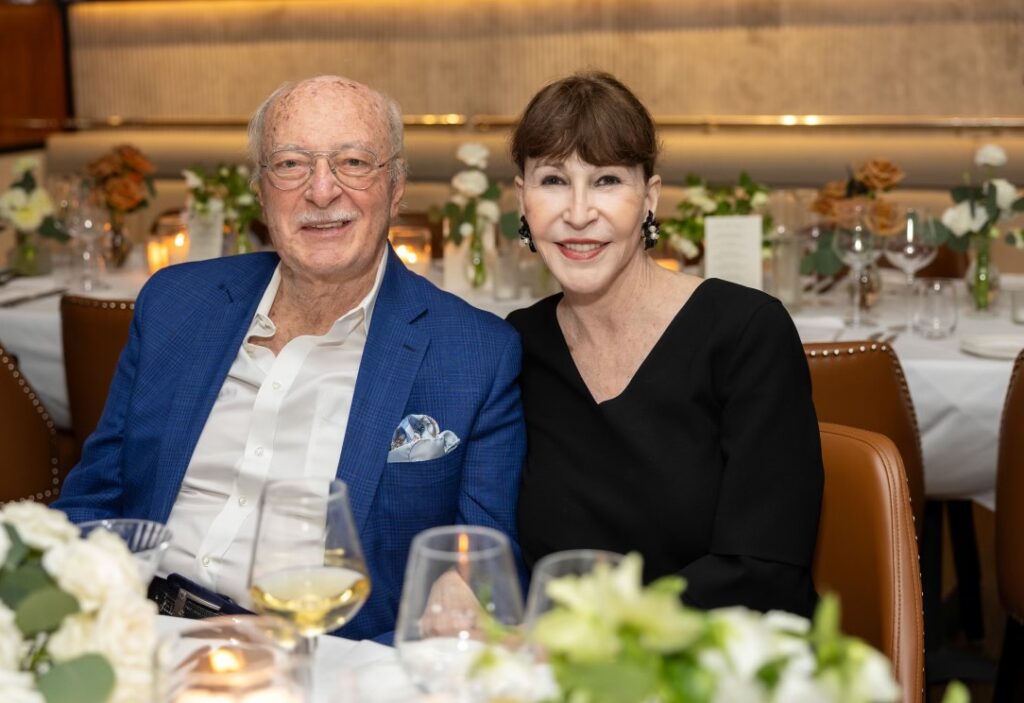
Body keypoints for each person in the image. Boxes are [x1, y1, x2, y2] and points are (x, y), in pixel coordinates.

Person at [54, 75, 526, 641]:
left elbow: (484, 571)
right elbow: (95, 500)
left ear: (396, 186)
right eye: (290, 164)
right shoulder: (177, 303)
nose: (322, 191)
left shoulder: (473, 352)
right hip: (140, 630)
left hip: (324, 655)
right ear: (260, 187)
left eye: (353, 162)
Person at [507, 72, 822, 618]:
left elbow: (762, 570)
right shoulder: (518, 346)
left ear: (649, 199)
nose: (578, 213)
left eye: (606, 180)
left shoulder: (745, 332)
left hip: (727, 661)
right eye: (554, 180)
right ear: (523, 200)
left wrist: (611, 637)